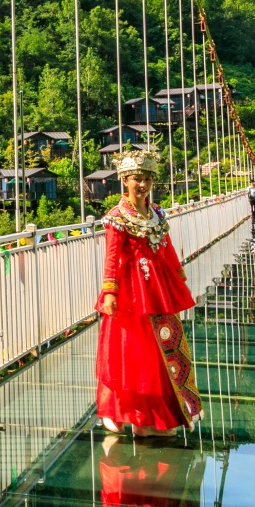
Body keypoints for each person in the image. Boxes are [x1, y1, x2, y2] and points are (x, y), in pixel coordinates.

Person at [96, 149, 201, 438]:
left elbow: (166, 249)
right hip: (132, 292)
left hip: (157, 288)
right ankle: (134, 415)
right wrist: (110, 292)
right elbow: (112, 256)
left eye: (147, 179)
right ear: (125, 181)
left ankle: (162, 412)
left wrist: (180, 279)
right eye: (136, 179)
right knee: (132, 351)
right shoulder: (117, 217)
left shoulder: (156, 213)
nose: (142, 185)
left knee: (161, 349)